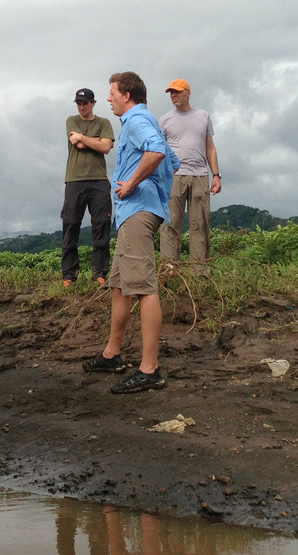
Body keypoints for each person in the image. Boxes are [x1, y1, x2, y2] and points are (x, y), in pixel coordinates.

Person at [84, 72, 178, 394]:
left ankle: (150, 369)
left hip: (137, 211)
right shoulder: (139, 122)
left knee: (143, 287)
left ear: (127, 95)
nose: (108, 98)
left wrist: (135, 183)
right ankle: (112, 354)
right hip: (133, 213)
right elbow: (173, 161)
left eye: (111, 93)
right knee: (121, 286)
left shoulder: (137, 120)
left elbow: (158, 154)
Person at [158, 78, 222, 273]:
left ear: (188, 92)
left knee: (200, 224)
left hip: (200, 175)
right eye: (171, 93)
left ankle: (200, 272)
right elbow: (159, 151)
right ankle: (169, 271)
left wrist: (216, 175)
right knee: (171, 224)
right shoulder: (165, 119)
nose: (173, 96)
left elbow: (210, 147)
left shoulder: (203, 116)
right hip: (173, 177)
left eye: (177, 92)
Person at [61, 87, 115, 287]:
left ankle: (100, 274)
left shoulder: (104, 122)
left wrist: (83, 137)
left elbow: (106, 147)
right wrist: (96, 141)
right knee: (70, 225)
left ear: (93, 103)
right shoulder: (71, 120)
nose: (82, 107)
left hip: (99, 180)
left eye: (85, 103)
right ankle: (69, 276)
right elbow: (80, 143)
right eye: (79, 103)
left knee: (101, 226)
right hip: (74, 180)